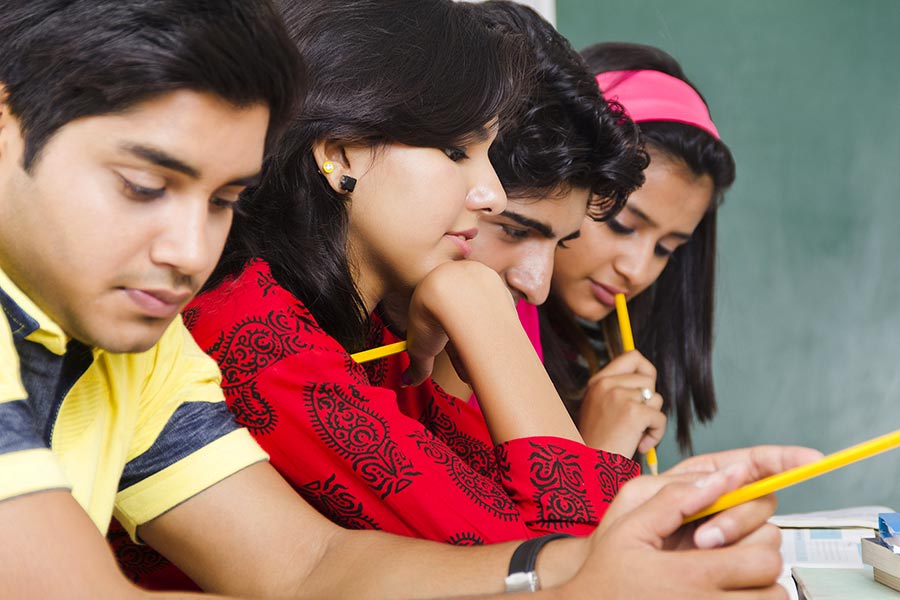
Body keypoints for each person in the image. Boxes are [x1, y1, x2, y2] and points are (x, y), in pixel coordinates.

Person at [0, 1, 819, 598]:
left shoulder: (154, 354)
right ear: (342, 150)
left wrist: (588, 564)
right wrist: (580, 561)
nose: (188, 250)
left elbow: (307, 565)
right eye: (145, 186)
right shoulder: (242, 330)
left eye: (222, 200)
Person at [539, 42, 737, 457]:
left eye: (666, 249)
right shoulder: (472, 337)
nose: (637, 269)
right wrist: (599, 455)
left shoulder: (587, 367)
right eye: (621, 224)